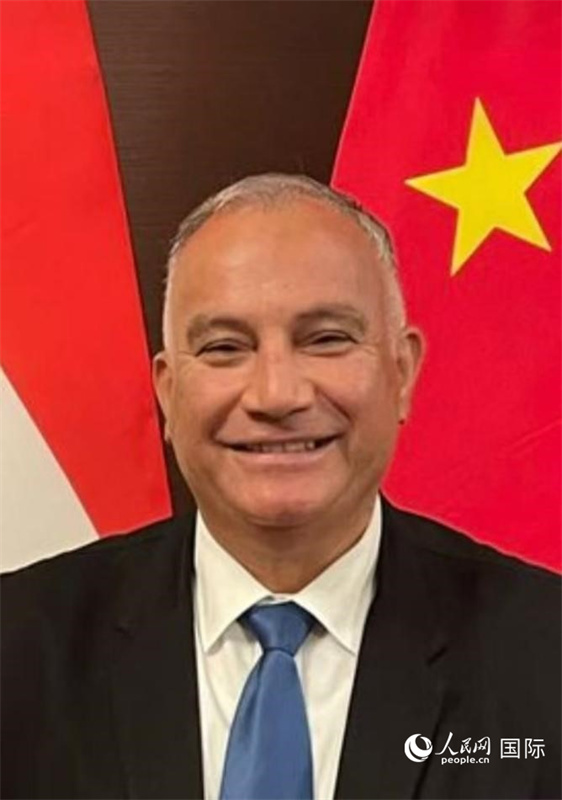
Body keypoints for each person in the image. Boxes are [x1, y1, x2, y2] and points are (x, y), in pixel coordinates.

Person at [1, 174, 560, 800]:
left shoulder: (544, 654)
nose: (277, 394)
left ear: (401, 372)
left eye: (326, 340)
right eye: (224, 347)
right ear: (168, 391)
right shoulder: (18, 648)